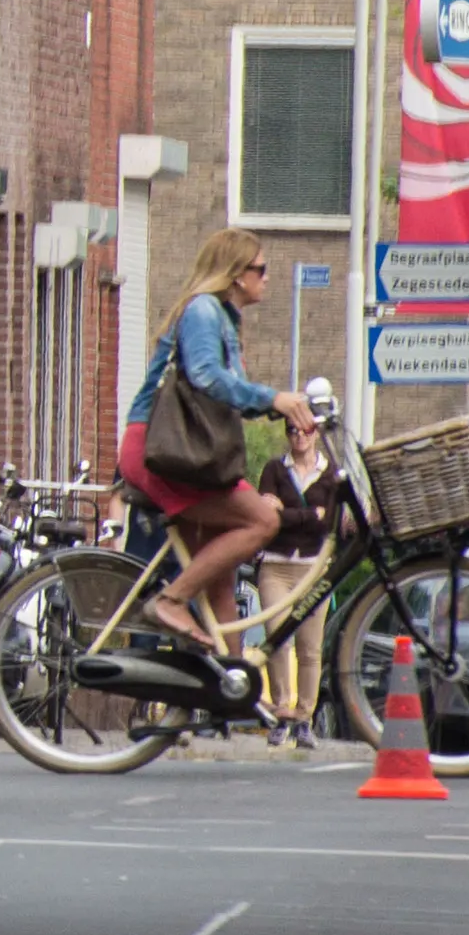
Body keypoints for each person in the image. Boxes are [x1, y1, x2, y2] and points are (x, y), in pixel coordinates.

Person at [118, 228, 319, 655]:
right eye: (260, 269)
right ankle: (170, 600)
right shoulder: (204, 311)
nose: (266, 278)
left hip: (186, 456)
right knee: (262, 522)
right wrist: (273, 398)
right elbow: (208, 377)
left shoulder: (223, 317)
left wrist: (280, 405)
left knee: (220, 584)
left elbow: (230, 392)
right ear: (235, 274)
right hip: (165, 453)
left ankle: (226, 690)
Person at [248, 377, 349, 744]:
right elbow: (268, 518)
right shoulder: (275, 470)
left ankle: (304, 717)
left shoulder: (329, 474)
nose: (298, 437)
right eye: (291, 431)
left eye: (304, 431)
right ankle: (281, 712)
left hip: (312, 567)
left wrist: (290, 514)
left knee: (309, 647)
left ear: (314, 432)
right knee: (277, 636)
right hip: (276, 565)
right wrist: (307, 516)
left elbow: (329, 521)